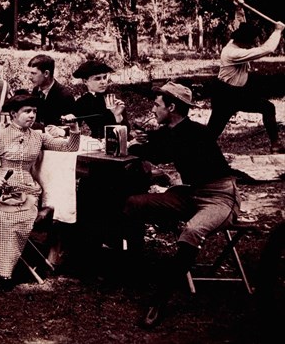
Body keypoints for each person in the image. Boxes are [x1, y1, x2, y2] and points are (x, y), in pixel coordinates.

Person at [122, 82, 241, 328]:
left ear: (172, 107)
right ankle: (135, 269)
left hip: (220, 197)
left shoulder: (195, 133)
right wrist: (143, 141)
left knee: (193, 231)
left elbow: (161, 152)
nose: (153, 109)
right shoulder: (172, 130)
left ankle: (159, 300)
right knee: (133, 204)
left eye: (157, 105)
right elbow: (156, 144)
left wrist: (140, 146)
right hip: (191, 194)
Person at [0, 93, 80, 287]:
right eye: (26, 111)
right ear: (13, 113)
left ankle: (4, 270)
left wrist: (74, 128)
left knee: (10, 218)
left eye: (34, 111)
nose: (31, 115)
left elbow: (70, 147)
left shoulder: (39, 137)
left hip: (26, 190)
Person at [207, 21, 285, 153]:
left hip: (238, 93)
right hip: (224, 95)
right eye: (250, 42)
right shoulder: (232, 53)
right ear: (243, 41)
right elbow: (267, 49)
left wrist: (238, 7)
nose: (251, 46)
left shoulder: (235, 43)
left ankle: (275, 145)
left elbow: (241, 23)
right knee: (212, 132)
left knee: (268, 108)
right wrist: (277, 31)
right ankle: (196, 151)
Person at [72, 60, 128, 139]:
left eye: (105, 77)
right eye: (98, 79)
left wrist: (118, 116)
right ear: (85, 81)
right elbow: (73, 124)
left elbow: (126, 132)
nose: (103, 82)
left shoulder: (113, 99)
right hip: (96, 144)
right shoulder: (82, 102)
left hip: (118, 142)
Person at [27, 54, 75, 129]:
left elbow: (68, 128)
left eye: (33, 73)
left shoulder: (64, 96)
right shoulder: (36, 91)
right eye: (30, 73)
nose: (29, 77)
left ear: (46, 73)